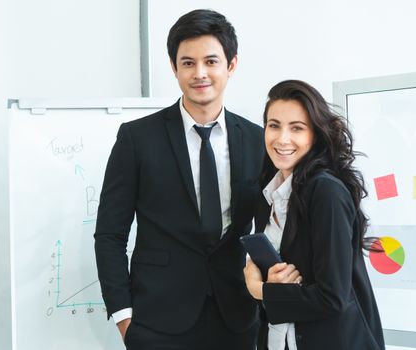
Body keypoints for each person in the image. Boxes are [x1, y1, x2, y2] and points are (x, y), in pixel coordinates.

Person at [94, 9, 264, 350]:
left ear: (231, 65)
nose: (199, 73)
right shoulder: (137, 138)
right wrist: (124, 318)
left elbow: (270, 230)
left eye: (211, 61)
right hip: (156, 322)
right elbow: (110, 234)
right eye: (187, 63)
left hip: (238, 318)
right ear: (174, 67)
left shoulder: (259, 140)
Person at [243, 80, 385, 350]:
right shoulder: (266, 194)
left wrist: (259, 289)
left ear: (315, 135)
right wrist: (255, 270)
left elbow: (332, 297)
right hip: (279, 340)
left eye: (296, 128)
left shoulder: (326, 192)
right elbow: (284, 271)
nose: (282, 139)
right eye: (274, 125)